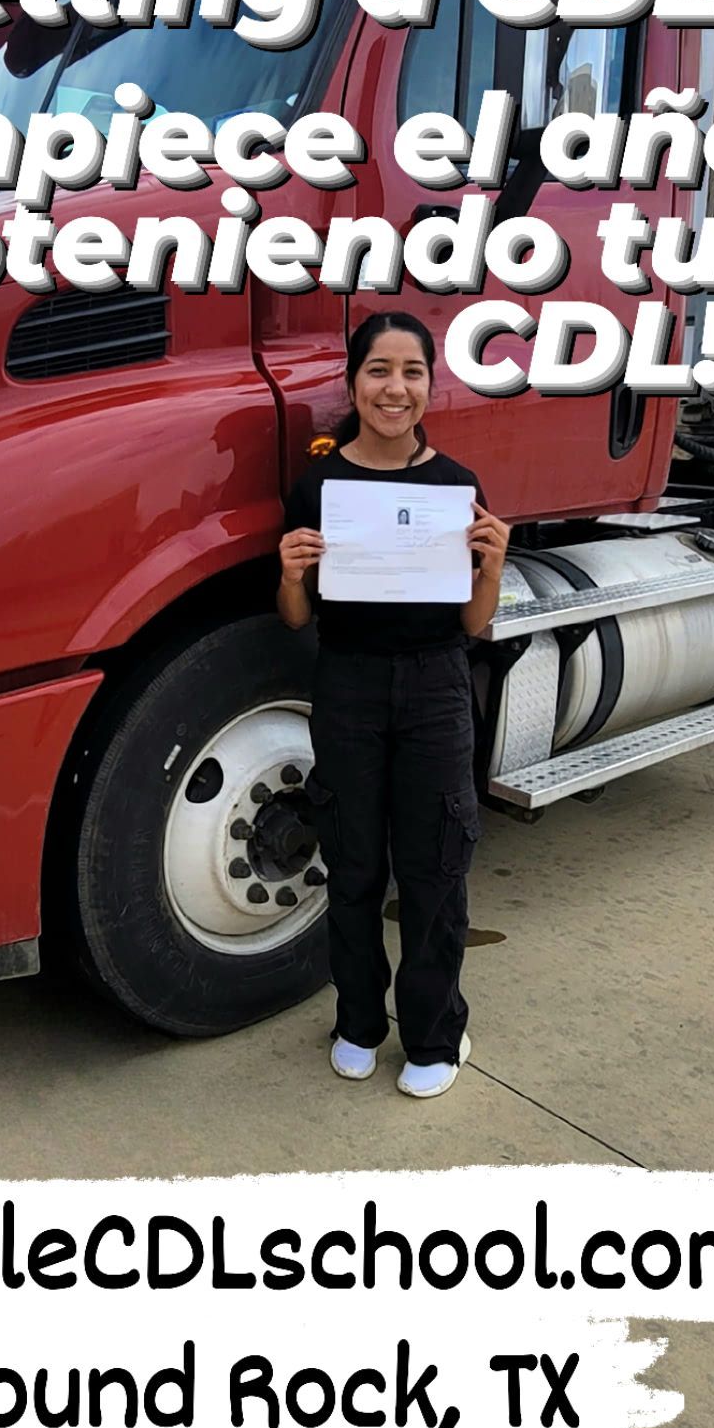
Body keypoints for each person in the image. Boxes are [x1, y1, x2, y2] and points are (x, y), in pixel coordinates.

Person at [277, 312, 509, 1100]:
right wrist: (289, 570)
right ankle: (357, 1024)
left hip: (437, 683)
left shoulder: (457, 486)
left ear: (429, 386)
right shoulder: (319, 486)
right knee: (352, 862)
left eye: (412, 371)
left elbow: (475, 624)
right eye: (379, 369)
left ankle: (434, 1035)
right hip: (346, 682)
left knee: (435, 865)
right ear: (353, 382)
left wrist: (493, 565)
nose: (395, 387)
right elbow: (299, 618)